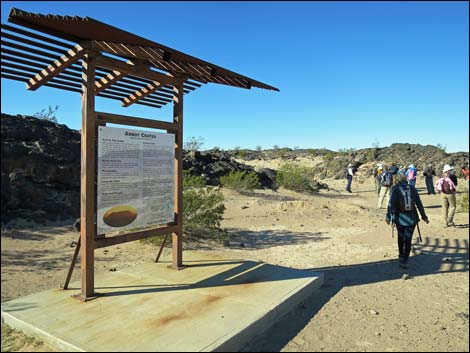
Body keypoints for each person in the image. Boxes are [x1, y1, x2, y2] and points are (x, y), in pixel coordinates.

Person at [386, 170, 429, 269]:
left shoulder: (395, 189)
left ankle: (401, 256)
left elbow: (391, 204)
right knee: (408, 239)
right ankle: (405, 260)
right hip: (412, 218)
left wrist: (388, 217)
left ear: (397, 179)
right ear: (405, 178)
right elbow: (419, 204)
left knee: (400, 237)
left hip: (399, 218)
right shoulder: (412, 188)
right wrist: (424, 216)